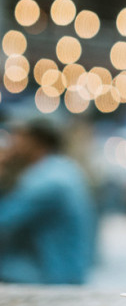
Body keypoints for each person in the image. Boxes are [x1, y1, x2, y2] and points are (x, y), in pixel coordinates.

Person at [0, 119, 96, 284]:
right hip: (66, 270)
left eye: (16, 136)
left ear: (34, 140)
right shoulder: (63, 168)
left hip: (53, 276)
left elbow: (4, 220)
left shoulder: (47, 181)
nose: (10, 144)